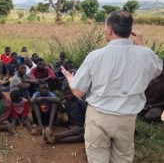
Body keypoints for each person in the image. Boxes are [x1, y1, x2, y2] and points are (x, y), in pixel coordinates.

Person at [61, 10, 163, 163]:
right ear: (130, 30)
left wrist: (70, 78)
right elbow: (157, 69)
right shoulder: (145, 55)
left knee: (97, 157)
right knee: (123, 157)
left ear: (109, 29)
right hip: (127, 118)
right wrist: (142, 45)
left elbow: (78, 92)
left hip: (99, 117)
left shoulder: (95, 56)